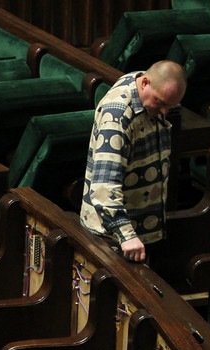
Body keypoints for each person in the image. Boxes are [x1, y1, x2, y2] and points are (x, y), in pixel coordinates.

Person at [80, 60, 187, 263]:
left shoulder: (145, 82)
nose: (165, 112)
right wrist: (126, 235)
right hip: (113, 236)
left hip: (141, 226)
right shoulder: (117, 118)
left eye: (170, 106)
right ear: (145, 83)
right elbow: (104, 187)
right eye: (161, 102)